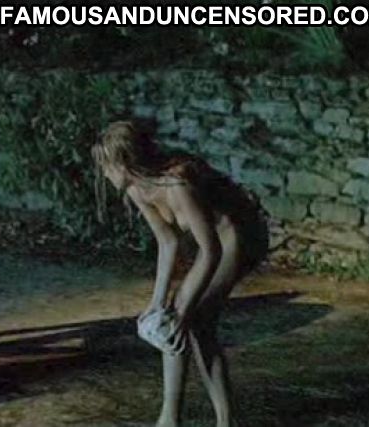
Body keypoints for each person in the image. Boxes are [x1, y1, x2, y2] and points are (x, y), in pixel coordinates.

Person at [92, 121, 268, 427]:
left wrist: (183, 312)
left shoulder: (177, 184)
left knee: (194, 320)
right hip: (213, 243)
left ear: (125, 163)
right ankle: (170, 418)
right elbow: (168, 241)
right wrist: (156, 302)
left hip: (239, 236)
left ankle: (223, 421)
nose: (104, 174)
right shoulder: (135, 189)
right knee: (171, 319)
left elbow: (211, 250)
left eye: (107, 165)